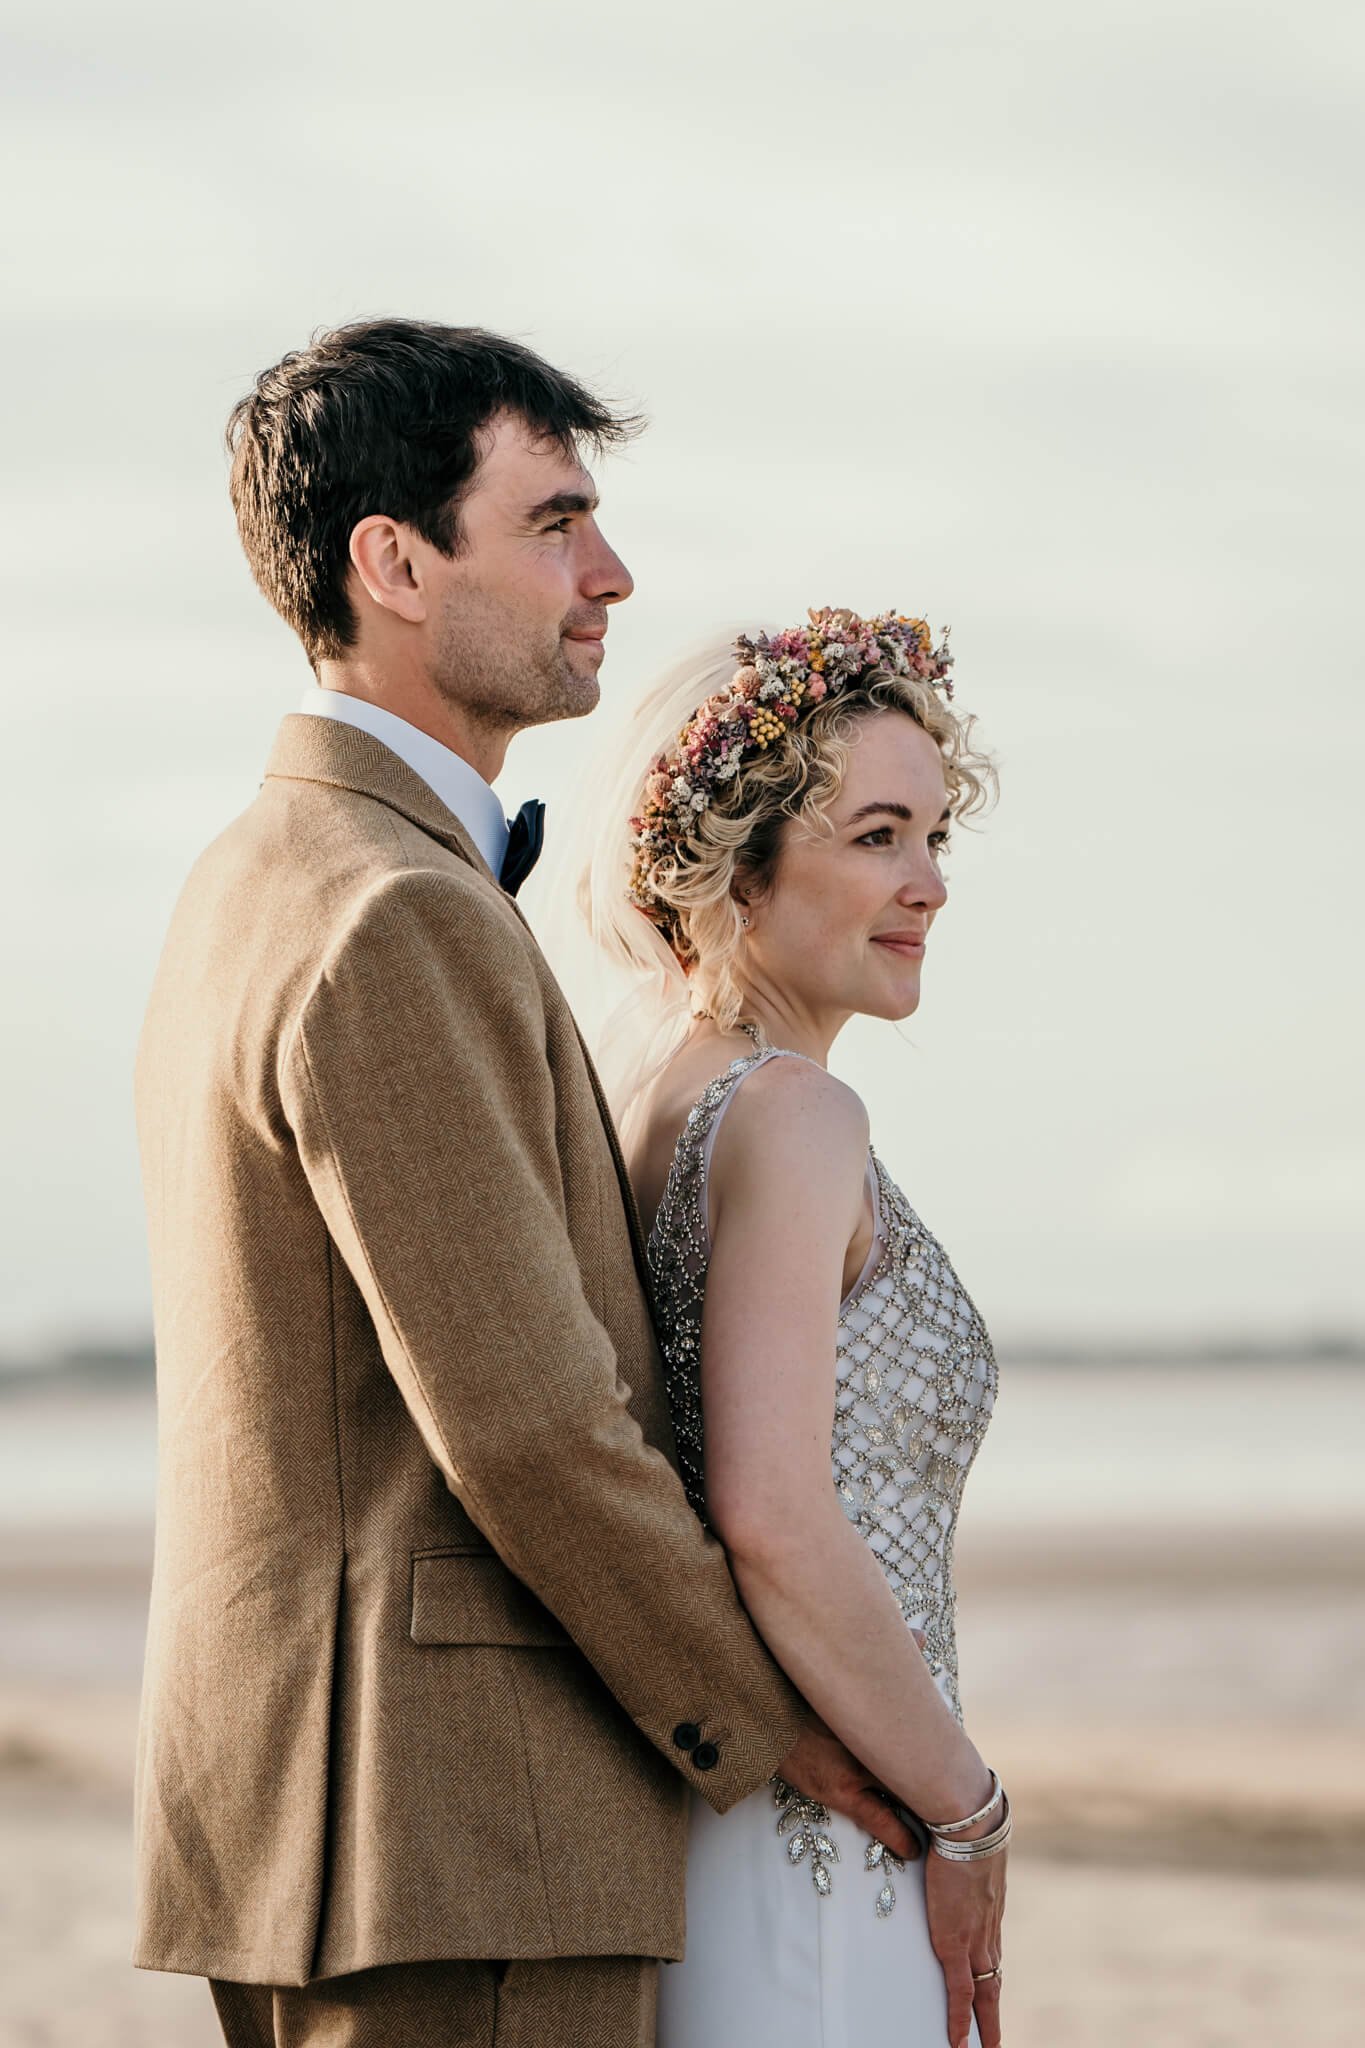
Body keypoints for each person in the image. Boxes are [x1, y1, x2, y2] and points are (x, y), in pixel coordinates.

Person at [131, 321, 923, 2048]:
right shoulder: (394, 909)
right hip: (455, 1831)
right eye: (555, 521)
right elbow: (523, 1414)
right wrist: (760, 1719)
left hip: (318, 1814)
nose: (612, 573)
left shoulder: (249, 879)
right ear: (394, 564)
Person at [581, 608, 1008, 2047]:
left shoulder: (646, 1096)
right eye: (878, 835)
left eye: (936, 837)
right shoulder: (795, 1113)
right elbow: (769, 1512)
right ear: (738, 869)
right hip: (836, 1839)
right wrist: (967, 1810)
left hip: (714, 1811)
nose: (930, 884)